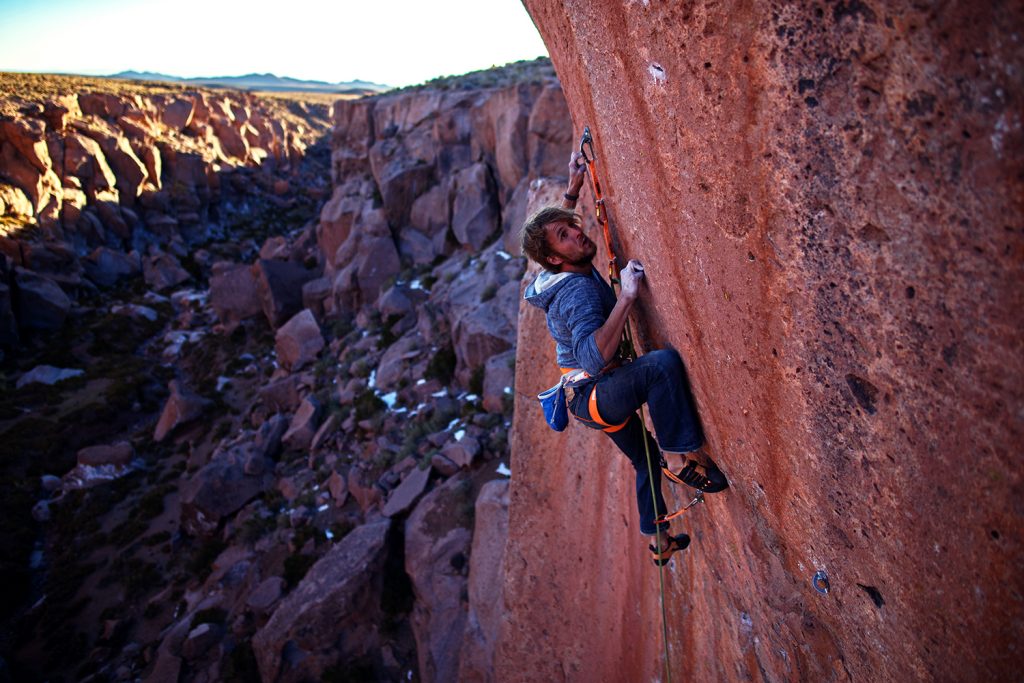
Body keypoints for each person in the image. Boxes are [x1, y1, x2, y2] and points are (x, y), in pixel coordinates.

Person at [520, 149, 728, 565]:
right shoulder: (575, 293)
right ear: (557, 259)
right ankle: (680, 457)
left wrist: (572, 192)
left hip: (588, 400)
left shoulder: (553, 270)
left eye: (570, 228)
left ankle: (659, 539)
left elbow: (555, 237)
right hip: (597, 393)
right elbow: (592, 357)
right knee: (662, 368)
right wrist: (628, 296)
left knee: (642, 462)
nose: (577, 234)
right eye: (566, 236)